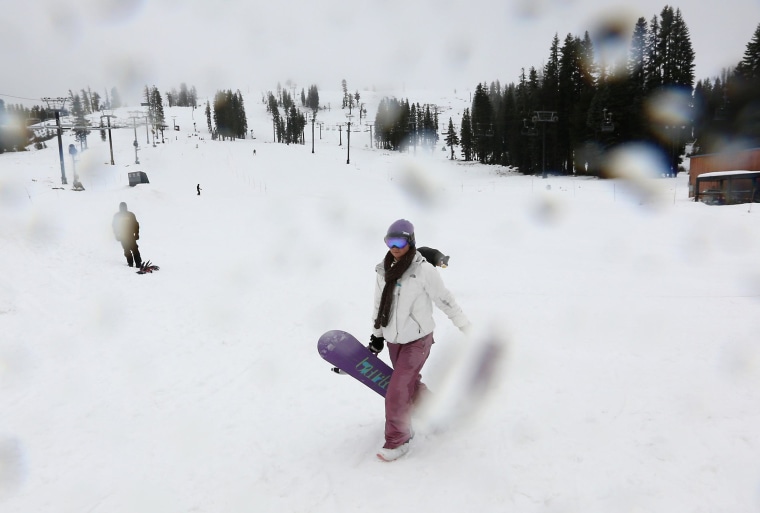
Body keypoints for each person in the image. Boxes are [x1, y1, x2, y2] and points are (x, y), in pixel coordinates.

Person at [370, 219, 470, 462]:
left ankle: (398, 439)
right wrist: (377, 335)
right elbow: (378, 304)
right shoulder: (383, 270)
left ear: (411, 241)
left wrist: (464, 324)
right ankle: (434, 409)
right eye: (389, 241)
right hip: (395, 340)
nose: (394, 246)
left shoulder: (423, 270)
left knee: (397, 389)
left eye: (400, 241)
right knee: (409, 382)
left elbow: (444, 299)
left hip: (418, 340)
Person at [112, 202, 142, 268]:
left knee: (134, 249)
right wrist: (117, 235)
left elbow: (135, 224)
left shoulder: (130, 215)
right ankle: (130, 263)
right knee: (127, 249)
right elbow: (115, 226)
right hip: (123, 236)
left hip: (130, 235)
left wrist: (136, 233)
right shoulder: (117, 216)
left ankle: (138, 263)